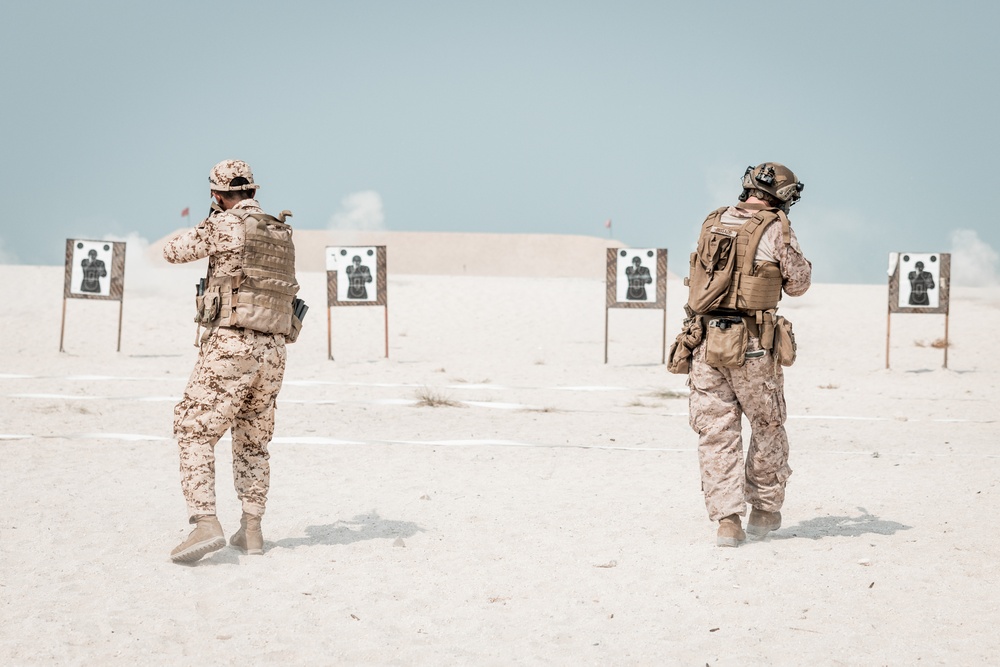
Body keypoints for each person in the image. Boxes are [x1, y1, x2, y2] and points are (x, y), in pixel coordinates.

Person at [163, 159, 299, 563]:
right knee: (253, 441)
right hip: (274, 349)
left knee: (194, 429)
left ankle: (206, 523)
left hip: (232, 344)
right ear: (254, 191)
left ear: (217, 194)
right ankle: (251, 530)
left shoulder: (223, 224)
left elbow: (173, 251)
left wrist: (211, 219)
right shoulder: (279, 230)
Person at [683, 162, 811, 547]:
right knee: (767, 424)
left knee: (716, 432)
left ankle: (727, 522)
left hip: (706, 342)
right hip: (753, 344)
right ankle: (765, 510)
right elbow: (798, 283)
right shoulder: (776, 227)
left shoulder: (713, 221)